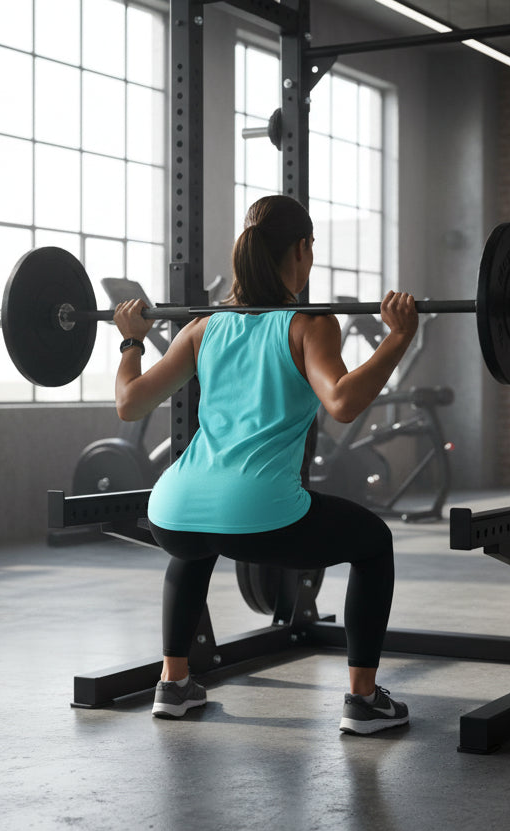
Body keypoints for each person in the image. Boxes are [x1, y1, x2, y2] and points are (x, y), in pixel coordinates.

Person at [112, 194, 418, 735]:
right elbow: (343, 403)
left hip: (173, 508)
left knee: (195, 544)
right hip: (261, 514)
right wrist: (398, 338)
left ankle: (173, 685)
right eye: (312, 248)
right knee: (374, 544)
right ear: (301, 250)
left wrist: (131, 342)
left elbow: (129, 403)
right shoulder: (309, 324)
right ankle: (364, 700)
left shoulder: (204, 327)